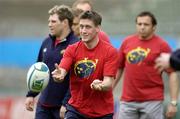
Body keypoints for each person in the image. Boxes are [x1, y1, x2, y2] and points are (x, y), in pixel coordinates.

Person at [52, 11, 119, 119]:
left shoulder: (110, 52)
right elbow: (62, 71)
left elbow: (108, 83)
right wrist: (59, 76)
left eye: (88, 27)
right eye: (81, 26)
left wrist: (101, 85)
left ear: (98, 28)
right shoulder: (72, 49)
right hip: (76, 109)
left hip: (102, 113)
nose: (83, 31)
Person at [113, 11, 179, 119]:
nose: (142, 27)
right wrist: (110, 89)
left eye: (146, 24)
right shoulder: (127, 42)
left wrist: (173, 102)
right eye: (139, 24)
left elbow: (172, 74)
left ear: (154, 27)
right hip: (127, 101)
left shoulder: (162, 45)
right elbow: (119, 68)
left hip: (152, 102)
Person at [25, 5, 79, 119]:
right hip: (43, 106)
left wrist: (66, 103)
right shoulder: (46, 42)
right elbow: (38, 69)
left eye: (53, 21)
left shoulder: (76, 44)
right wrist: (31, 94)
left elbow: (76, 79)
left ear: (64, 22)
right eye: (49, 21)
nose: (49, 24)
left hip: (63, 108)